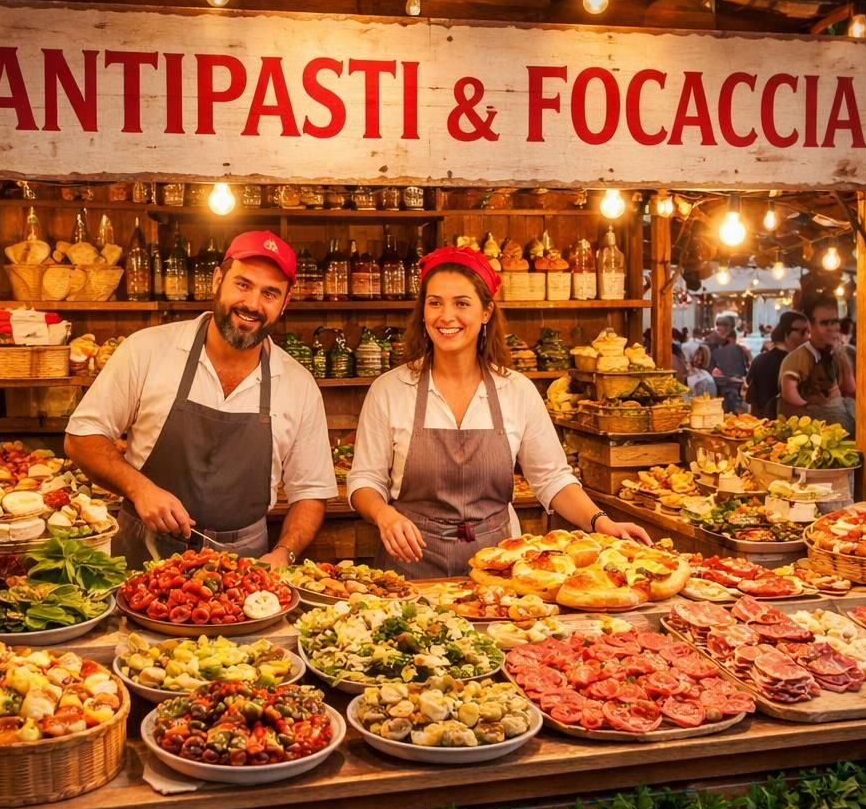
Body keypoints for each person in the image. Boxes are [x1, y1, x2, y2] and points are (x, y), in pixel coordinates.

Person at [347, 245, 648, 578]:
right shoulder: (390, 390)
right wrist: (384, 514)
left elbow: (552, 479)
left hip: (499, 568)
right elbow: (364, 481)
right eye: (435, 303)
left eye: (462, 303)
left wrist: (601, 522)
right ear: (423, 311)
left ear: (486, 312)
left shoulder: (516, 391)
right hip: (408, 568)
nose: (446, 316)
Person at [66, 231, 336, 565]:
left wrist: (285, 551)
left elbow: (311, 492)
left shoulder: (298, 385)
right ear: (218, 280)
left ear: (285, 302)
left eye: (269, 293)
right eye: (243, 284)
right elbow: (81, 437)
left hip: (244, 562)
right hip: (143, 550)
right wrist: (139, 488)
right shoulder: (147, 350)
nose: (253, 304)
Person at [779, 296, 856, 432]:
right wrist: (816, 407)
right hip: (808, 431)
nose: (831, 328)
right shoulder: (797, 358)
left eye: (834, 322)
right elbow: (790, 396)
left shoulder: (842, 353)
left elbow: (851, 389)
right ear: (811, 326)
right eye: (825, 323)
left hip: (841, 427)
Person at [745, 310, 809, 419]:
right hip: (788, 424)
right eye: (802, 332)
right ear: (786, 333)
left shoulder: (759, 359)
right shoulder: (797, 363)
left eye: (808, 332)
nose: (807, 337)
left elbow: (749, 393)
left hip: (760, 423)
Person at [704, 312, 750, 413]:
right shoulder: (714, 342)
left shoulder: (732, 347)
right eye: (719, 325)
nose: (720, 328)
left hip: (725, 386)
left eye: (723, 325)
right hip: (724, 386)